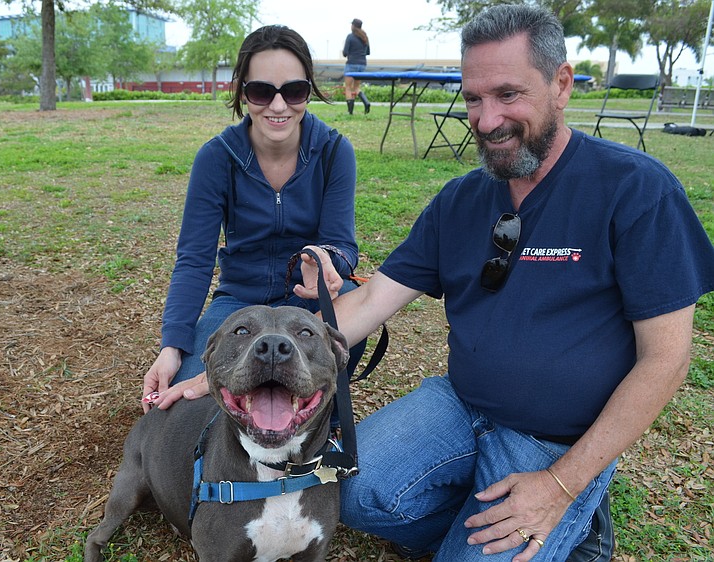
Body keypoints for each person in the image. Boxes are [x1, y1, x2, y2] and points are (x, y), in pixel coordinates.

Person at [160, 4, 714, 560]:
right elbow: (374, 297)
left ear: (561, 85)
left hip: (552, 439)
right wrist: (233, 371)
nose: (487, 119)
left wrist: (561, 483)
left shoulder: (636, 191)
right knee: (347, 491)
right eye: (474, 98)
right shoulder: (461, 201)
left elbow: (665, 360)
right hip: (461, 406)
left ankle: (576, 514)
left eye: (508, 95)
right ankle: (486, 518)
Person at [142, 25, 361, 413]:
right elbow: (194, 260)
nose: (278, 107)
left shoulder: (334, 152)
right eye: (262, 91)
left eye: (293, 91)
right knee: (188, 401)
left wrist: (326, 261)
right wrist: (172, 346)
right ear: (243, 92)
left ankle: (317, 413)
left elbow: (342, 245)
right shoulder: (216, 158)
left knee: (348, 321)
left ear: (309, 90)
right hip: (238, 302)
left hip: (307, 305)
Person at [343, 18, 371, 115]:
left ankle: (350, 112)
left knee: (348, 87)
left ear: (353, 26)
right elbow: (368, 52)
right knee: (356, 87)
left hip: (351, 64)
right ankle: (366, 102)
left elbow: (345, 52)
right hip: (362, 64)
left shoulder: (350, 37)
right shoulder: (365, 37)